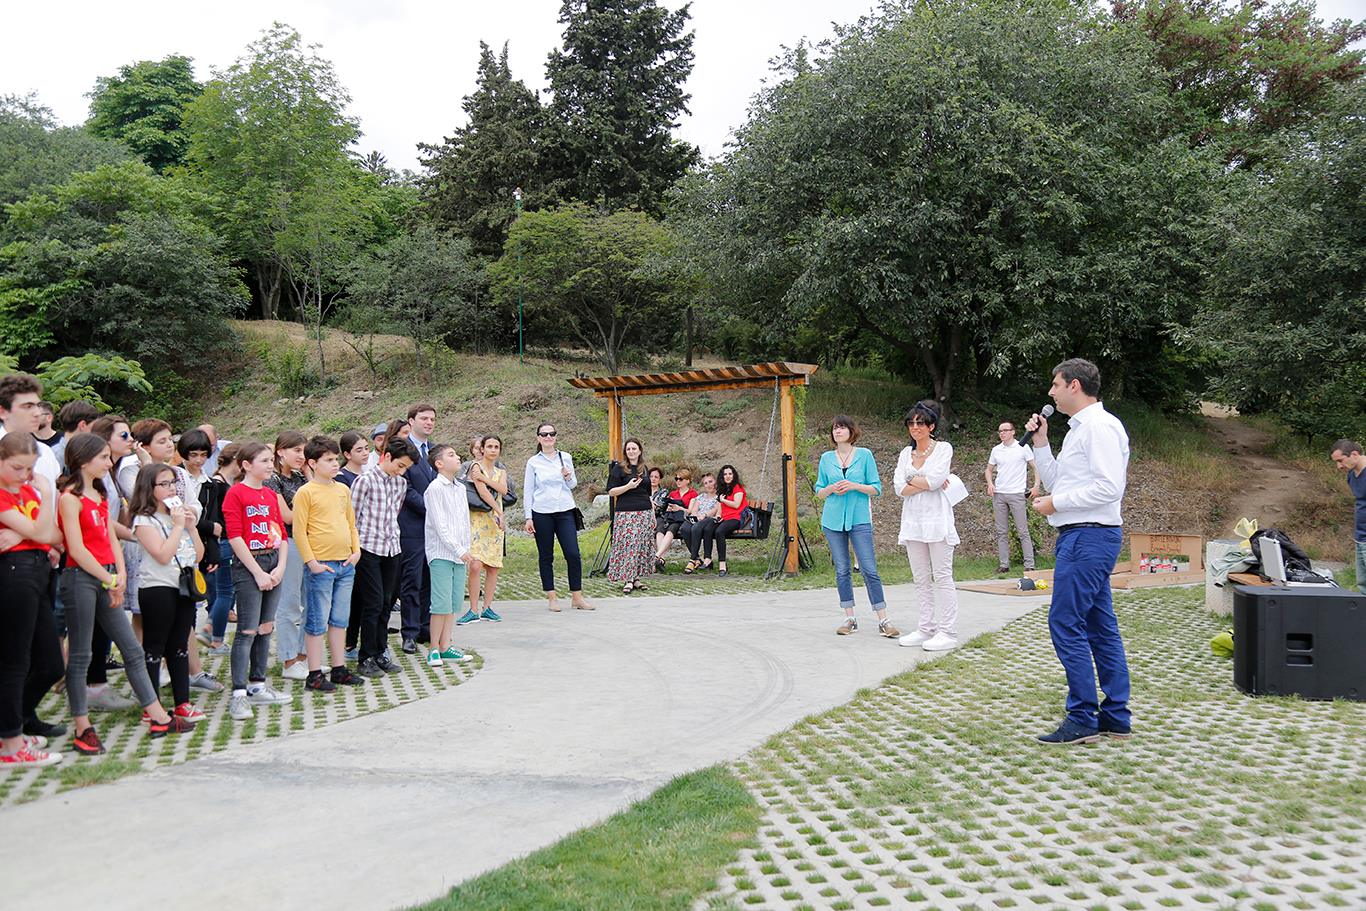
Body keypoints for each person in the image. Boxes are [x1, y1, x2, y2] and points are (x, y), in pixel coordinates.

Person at [60, 433, 194, 753]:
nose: (110, 463)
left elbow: (109, 535)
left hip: (107, 576)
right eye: (103, 458)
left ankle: (158, 716)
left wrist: (119, 573)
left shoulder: (99, 493)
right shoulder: (69, 497)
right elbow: (76, 549)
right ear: (83, 461)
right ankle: (83, 727)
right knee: (81, 655)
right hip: (81, 579)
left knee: (133, 650)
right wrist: (108, 578)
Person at [1026, 357, 1132, 745]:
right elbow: (1059, 481)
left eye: (1055, 385)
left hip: (1089, 537)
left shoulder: (1100, 427)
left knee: (1065, 622)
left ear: (1074, 386)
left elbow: (1108, 488)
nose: (1050, 392)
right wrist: (1041, 444)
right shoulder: (1079, 430)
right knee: (1100, 626)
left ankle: (1083, 716)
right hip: (1082, 535)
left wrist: (1056, 503)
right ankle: (1115, 717)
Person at [0, 433, 64, 767]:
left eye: (29, 468)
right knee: (15, 662)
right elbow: (42, 532)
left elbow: (55, 535)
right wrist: (48, 496)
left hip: (37, 572)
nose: (25, 475)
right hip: (14, 575)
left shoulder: (24, 491)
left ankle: (14, 725)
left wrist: (24, 533)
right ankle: (11, 744)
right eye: (17, 467)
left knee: (50, 662)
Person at [129, 462, 207, 722]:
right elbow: (162, 554)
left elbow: (198, 555)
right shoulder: (144, 520)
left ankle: (182, 702)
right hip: (157, 587)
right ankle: (152, 708)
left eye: (173, 483)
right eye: (164, 484)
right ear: (148, 488)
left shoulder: (178, 516)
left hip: (183, 587)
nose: (171, 488)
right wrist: (177, 526)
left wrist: (191, 527)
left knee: (179, 645)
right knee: (155, 647)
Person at [222, 443, 294, 722]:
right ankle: (239, 693)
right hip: (249, 565)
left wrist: (280, 567)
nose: (269, 465)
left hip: (272, 561)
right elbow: (235, 537)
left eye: (269, 460)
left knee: (266, 627)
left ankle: (257, 684)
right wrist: (258, 573)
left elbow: (281, 534)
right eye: (263, 461)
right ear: (246, 465)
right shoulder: (235, 493)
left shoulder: (269, 495)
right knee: (247, 630)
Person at [817, 415, 900, 638]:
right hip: (833, 520)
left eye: (842, 427)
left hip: (859, 519)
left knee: (869, 569)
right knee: (842, 569)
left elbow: (876, 488)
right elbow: (819, 490)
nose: (837, 431)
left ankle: (883, 620)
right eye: (835, 428)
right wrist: (831, 488)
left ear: (851, 431)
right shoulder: (826, 458)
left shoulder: (865, 455)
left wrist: (854, 485)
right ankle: (850, 618)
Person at [292, 436, 364, 691]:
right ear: (313, 463)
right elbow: (299, 531)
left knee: (340, 619)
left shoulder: (343, 490)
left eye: (336, 459)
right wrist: (311, 562)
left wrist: (356, 551)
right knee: (316, 621)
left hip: (346, 563)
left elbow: (351, 523)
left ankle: (339, 668)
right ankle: (314, 673)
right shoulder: (305, 492)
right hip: (321, 565)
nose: (335, 464)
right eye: (329, 460)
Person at [894, 401, 960, 652]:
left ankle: (948, 631)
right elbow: (899, 488)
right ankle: (926, 627)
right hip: (913, 521)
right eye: (911, 423)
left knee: (942, 576)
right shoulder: (905, 453)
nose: (915, 427)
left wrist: (914, 479)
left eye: (920, 423)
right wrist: (924, 481)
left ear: (931, 426)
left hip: (937, 520)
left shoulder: (943, 448)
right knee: (920, 578)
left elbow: (936, 480)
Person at [351, 438, 414, 677]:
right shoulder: (364, 481)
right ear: (386, 456)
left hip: (392, 548)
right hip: (368, 549)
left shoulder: (400, 483)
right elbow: (352, 517)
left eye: (406, 468)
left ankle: (380, 653)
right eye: (400, 465)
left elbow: (394, 513)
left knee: (387, 603)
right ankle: (365, 657)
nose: (402, 471)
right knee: (373, 603)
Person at [523, 423, 594, 612]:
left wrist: (568, 477)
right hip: (542, 512)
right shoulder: (533, 462)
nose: (548, 437)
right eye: (544, 434)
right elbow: (528, 490)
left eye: (551, 433)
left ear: (556, 436)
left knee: (573, 553)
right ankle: (552, 597)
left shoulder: (565, 457)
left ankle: (577, 597)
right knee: (546, 555)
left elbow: (573, 485)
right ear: (538, 438)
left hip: (565, 510)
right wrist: (528, 517)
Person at [424, 443, 476, 666]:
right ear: (439, 463)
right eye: (451, 455)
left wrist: (466, 548)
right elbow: (440, 525)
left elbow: (464, 521)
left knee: (454, 603)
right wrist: (459, 550)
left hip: (460, 555)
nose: (458, 458)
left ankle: (446, 646)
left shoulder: (460, 488)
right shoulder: (434, 488)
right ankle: (434, 649)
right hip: (441, 554)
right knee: (441, 604)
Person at [266, 431, 309, 681]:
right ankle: (288, 659)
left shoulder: (301, 477)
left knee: (311, 602)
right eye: (296, 451)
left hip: (308, 541)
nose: (301, 456)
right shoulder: (273, 480)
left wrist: (309, 473)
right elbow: (287, 517)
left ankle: (304, 656)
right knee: (289, 604)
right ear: (280, 451)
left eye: (304, 451)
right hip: (287, 542)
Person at [398, 404, 438, 653]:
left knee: (430, 579)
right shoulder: (401, 449)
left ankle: (425, 626)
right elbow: (405, 488)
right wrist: (432, 508)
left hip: (435, 528)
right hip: (412, 525)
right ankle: (410, 632)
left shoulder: (435, 450)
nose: (429, 422)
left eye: (432, 419)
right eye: (424, 418)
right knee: (411, 580)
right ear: (411, 421)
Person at [459, 435, 508, 625]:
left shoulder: (501, 471)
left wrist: (485, 479)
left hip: (495, 523)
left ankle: (487, 607)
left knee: (493, 566)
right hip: (479, 520)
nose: (493, 450)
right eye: (489, 446)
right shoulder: (475, 466)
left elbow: (503, 490)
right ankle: (473, 609)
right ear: (483, 449)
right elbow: (482, 492)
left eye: (496, 447)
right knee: (475, 564)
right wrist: (499, 512)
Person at [199, 442, 242, 655]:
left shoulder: (227, 483)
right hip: (223, 543)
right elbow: (207, 516)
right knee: (225, 593)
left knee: (226, 593)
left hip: (227, 542)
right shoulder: (216, 484)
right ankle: (215, 638)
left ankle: (211, 630)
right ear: (235, 460)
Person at [986, 420, 1040, 575]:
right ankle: (1004, 564)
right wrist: (990, 483)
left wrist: (1036, 485)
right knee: (1001, 531)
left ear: (1013, 432)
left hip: (1017, 493)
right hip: (999, 494)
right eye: (1000, 431)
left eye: (1005, 430)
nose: (1002, 433)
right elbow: (988, 470)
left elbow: (1035, 467)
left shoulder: (1022, 447)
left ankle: (1029, 564)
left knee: (1023, 530)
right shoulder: (996, 450)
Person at [606, 439, 656, 594]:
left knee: (640, 546)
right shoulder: (619, 469)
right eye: (628, 449)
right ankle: (628, 579)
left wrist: (652, 514)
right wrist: (628, 486)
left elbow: (648, 494)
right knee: (629, 545)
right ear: (625, 452)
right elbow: (611, 491)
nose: (631, 451)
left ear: (640, 451)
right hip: (626, 513)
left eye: (634, 448)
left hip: (644, 512)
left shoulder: (644, 469)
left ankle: (636, 578)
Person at [0, 374, 62, 483]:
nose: (37, 413)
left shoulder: (45, 452)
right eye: (28, 406)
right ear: (3, 412)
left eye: (37, 406)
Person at [1329, 439, 1366, 594]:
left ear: (1354, 454)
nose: (1339, 466)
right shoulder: (1351, 475)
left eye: (1340, 461)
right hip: (1360, 537)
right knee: (1363, 585)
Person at [703, 464, 748, 576]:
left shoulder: (737, 487)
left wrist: (723, 500)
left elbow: (736, 505)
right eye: (725, 474)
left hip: (736, 518)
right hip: (724, 518)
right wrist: (718, 516)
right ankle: (707, 559)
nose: (727, 476)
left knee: (719, 532)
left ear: (734, 475)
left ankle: (722, 564)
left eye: (730, 474)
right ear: (722, 476)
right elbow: (720, 506)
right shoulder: (722, 489)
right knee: (708, 529)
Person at [654, 467, 697, 569]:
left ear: (687, 481)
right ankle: (661, 559)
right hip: (671, 517)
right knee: (660, 530)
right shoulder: (673, 493)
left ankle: (657, 556)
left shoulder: (692, 493)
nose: (678, 481)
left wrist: (679, 508)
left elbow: (690, 511)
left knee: (671, 530)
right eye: (676, 479)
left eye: (680, 479)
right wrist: (669, 508)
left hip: (682, 518)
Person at [683, 473, 721, 573]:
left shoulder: (719, 497)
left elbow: (715, 510)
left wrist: (704, 515)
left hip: (709, 519)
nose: (708, 485)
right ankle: (697, 558)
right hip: (698, 518)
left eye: (710, 482)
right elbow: (694, 510)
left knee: (696, 527)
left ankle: (692, 560)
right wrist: (696, 516)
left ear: (715, 482)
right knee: (684, 528)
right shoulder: (700, 497)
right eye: (706, 483)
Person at [50, 399, 99, 465]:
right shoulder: (58, 455)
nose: (96, 432)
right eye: (94, 426)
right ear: (83, 425)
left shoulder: (76, 452)